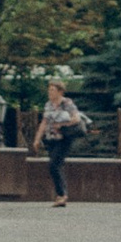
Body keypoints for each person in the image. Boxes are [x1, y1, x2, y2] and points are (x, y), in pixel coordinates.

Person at [35, 69, 89, 208]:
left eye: (52, 90)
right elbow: (44, 122)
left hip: (64, 138)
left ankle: (62, 195)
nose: (50, 92)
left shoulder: (67, 103)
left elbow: (76, 119)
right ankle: (61, 195)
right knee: (55, 166)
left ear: (60, 91)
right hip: (51, 139)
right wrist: (37, 139)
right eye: (49, 90)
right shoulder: (48, 105)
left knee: (54, 165)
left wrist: (61, 125)